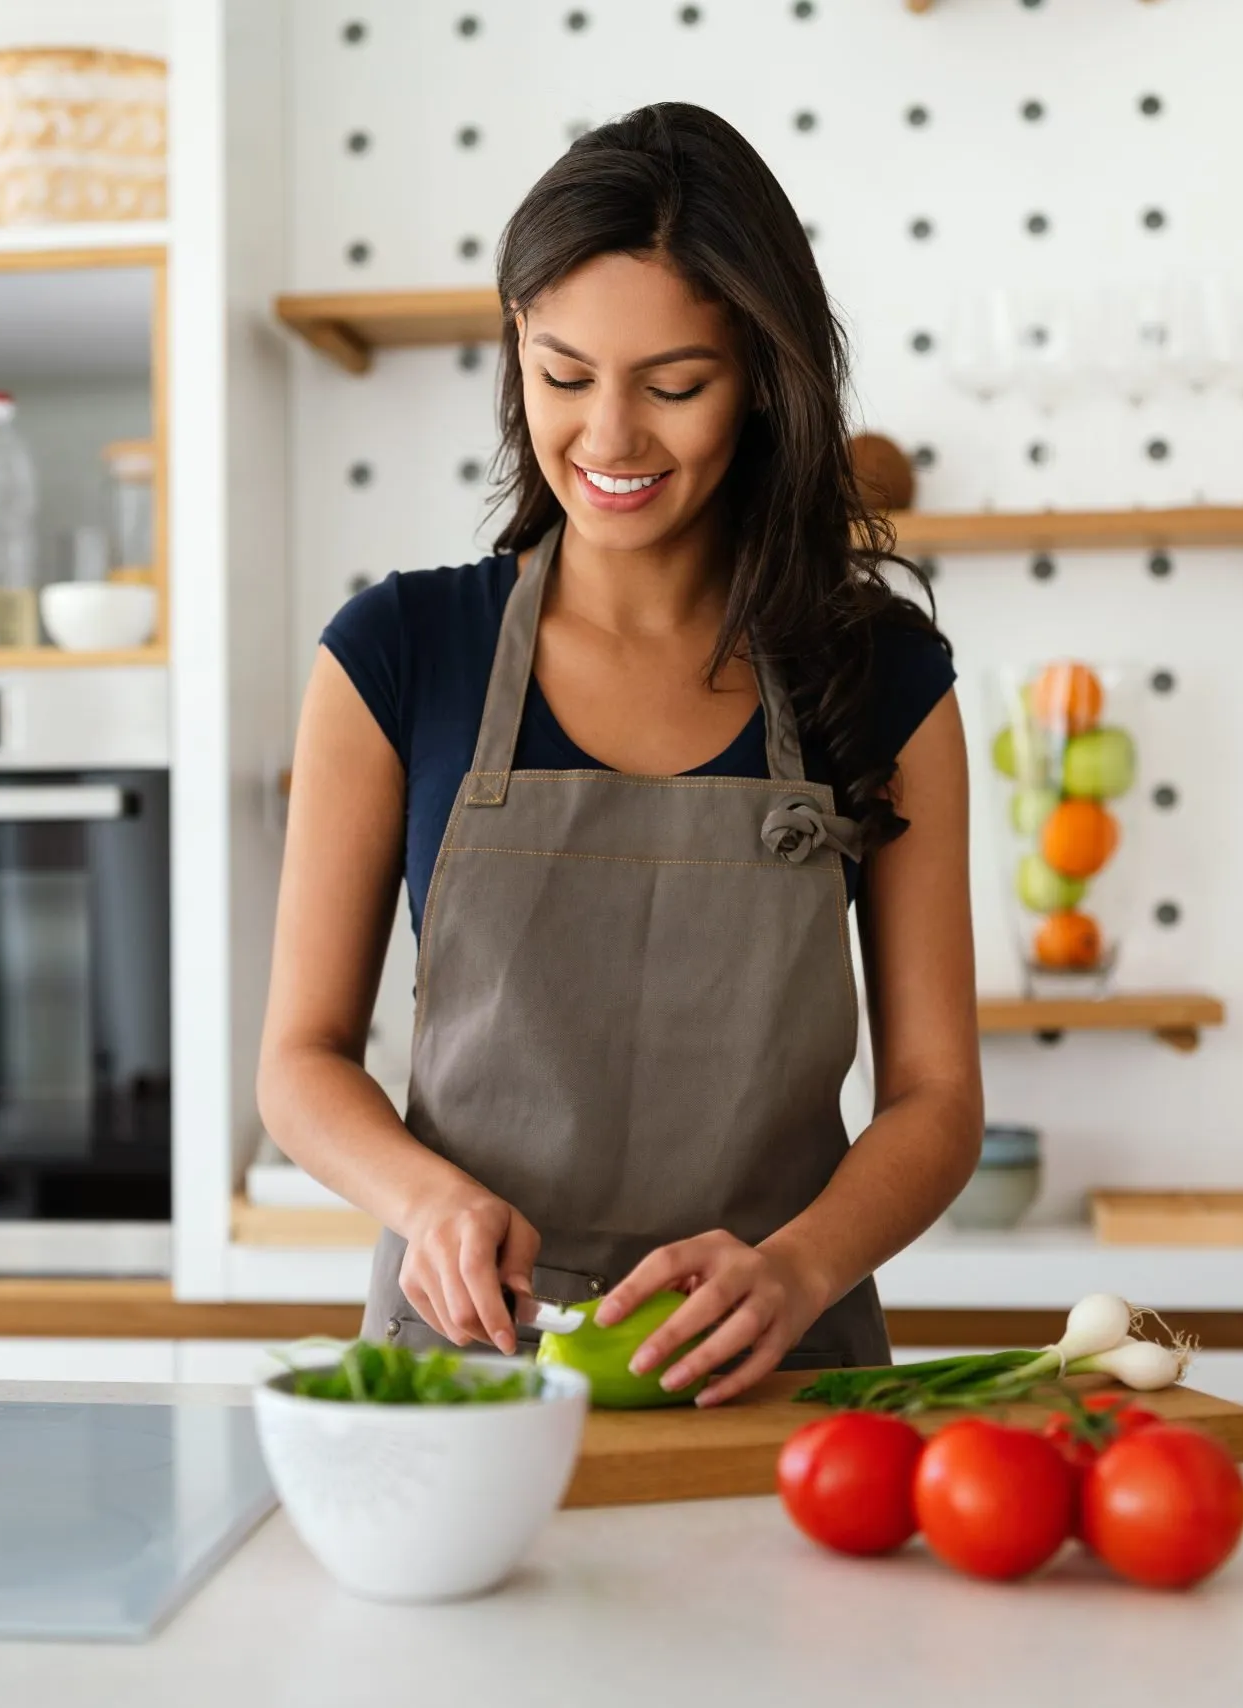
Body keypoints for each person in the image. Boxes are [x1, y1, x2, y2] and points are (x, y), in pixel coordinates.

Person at [258, 102, 981, 1406]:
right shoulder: (396, 654)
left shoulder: (884, 679)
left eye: (676, 384)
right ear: (516, 352)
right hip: (466, 1378)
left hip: (778, 1377)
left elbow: (936, 1098)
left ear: (763, 375)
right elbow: (299, 1062)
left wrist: (798, 1268)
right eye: (564, 373)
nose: (608, 440)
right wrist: (427, 1203)